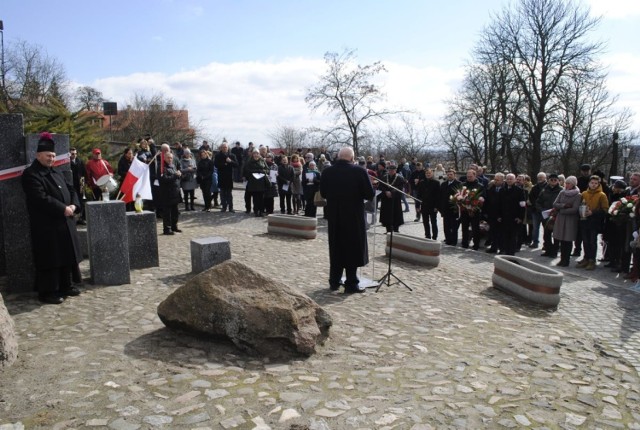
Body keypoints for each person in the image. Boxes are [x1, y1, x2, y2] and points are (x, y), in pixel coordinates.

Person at [22, 132, 82, 304]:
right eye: (48, 156)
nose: (51, 159)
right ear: (38, 155)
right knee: (51, 258)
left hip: (65, 221)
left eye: (53, 156)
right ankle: (48, 292)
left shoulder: (57, 171)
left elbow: (71, 190)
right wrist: (63, 208)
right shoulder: (31, 174)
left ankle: (66, 285)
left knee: (66, 255)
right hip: (46, 224)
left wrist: (74, 205)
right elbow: (39, 198)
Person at [320, 147, 375, 293]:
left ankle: (334, 281)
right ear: (352, 158)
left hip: (334, 215)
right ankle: (351, 284)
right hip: (353, 216)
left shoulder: (327, 171)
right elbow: (369, 194)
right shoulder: (359, 171)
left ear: (338, 157)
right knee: (352, 247)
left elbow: (323, 193)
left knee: (336, 247)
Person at [576, 175, 609, 270]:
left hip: (594, 222)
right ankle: (586, 258)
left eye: (595, 183)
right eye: (592, 183)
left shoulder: (602, 195)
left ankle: (592, 260)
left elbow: (605, 210)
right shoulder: (584, 193)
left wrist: (593, 212)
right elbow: (580, 204)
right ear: (589, 183)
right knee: (585, 241)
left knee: (592, 241)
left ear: (598, 184)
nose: (593, 185)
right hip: (584, 220)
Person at [552, 176, 582, 267]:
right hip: (561, 219)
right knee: (561, 239)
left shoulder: (578, 195)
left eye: (569, 183)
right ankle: (561, 259)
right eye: (566, 183)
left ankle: (566, 260)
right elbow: (555, 204)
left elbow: (575, 209)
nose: (567, 185)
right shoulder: (562, 192)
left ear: (573, 184)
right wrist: (564, 205)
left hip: (570, 220)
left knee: (567, 241)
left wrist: (561, 210)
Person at [498, 173, 526, 255]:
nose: (509, 180)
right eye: (508, 179)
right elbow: (499, 204)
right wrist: (499, 215)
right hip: (504, 218)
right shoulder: (502, 190)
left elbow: (522, 205)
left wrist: (520, 217)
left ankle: (511, 253)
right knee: (505, 236)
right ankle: (505, 251)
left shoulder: (519, 191)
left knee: (513, 237)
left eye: (511, 179)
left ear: (514, 180)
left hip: (514, 218)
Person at [459, 169, 484, 250]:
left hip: (475, 211)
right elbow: (459, 195)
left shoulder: (480, 186)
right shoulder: (463, 185)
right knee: (464, 227)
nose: (469, 178)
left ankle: (476, 244)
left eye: (471, 176)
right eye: (468, 176)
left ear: (475, 176)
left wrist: (477, 203)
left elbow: (483, 197)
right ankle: (464, 243)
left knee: (475, 228)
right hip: (464, 210)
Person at [159, 152, 182, 235]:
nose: (170, 159)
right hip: (167, 194)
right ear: (164, 158)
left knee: (175, 212)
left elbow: (175, 177)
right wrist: (176, 175)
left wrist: (179, 175)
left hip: (175, 193)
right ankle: (167, 229)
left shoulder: (173, 166)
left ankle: (174, 226)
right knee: (167, 213)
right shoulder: (162, 167)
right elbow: (164, 179)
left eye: (171, 158)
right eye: (168, 158)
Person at [379, 162, 406, 233]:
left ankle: (396, 229)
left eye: (393, 170)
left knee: (396, 214)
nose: (391, 171)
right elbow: (381, 186)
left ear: (395, 170)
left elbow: (400, 188)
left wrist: (392, 192)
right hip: (386, 199)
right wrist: (386, 192)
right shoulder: (384, 177)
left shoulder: (400, 178)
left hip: (395, 200)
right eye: (390, 170)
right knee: (386, 215)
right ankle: (388, 229)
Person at [243, 149, 269, 216]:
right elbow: (247, 170)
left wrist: (262, 171)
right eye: (254, 153)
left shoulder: (262, 160)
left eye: (257, 153)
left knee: (261, 198)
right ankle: (256, 211)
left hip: (261, 181)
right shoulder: (249, 161)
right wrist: (258, 171)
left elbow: (267, 169)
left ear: (259, 154)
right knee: (255, 198)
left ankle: (261, 211)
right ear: (253, 154)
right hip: (253, 182)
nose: (256, 155)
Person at [416, 167, 440, 240]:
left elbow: (438, 196)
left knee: (433, 222)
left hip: (433, 206)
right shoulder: (422, 182)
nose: (428, 174)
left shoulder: (436, 183)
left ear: (432, 174)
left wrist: (437, 206)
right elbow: (418, 195)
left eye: (429, 173)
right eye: (426, 173)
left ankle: (434, 236)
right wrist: (417, 206)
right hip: (424, 205)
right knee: (425, 222)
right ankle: (427, 236)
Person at [214, 141, 238, 212]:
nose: (224, 148)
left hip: (229, 177)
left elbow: (236, 165)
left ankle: (231, 207)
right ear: (221, 148)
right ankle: (224, 207)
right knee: (222, 193)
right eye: (223, 147)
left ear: (228, 148)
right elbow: (216, 165)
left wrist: (230, 161)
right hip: (221, 176)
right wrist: (225, 164)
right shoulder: (218, 155)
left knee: (229, 193)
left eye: (226, 147)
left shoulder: (232, 155)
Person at [439, 168, 461, 246]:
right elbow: (440, 197)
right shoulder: (443, 184)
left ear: (454, 175)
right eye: (448, 175)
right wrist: (440, 208)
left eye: (451, 174)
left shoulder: (459, 184)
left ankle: (454, 241)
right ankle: (448, 240)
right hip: (445, 209)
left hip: (454, 209)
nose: (449, 176)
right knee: (446, 226)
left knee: (454, 227)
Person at [528, 172, 547, 248]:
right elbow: (531, 197)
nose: (540, 179)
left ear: (545, 178)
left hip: (544, 210)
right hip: (535, 210)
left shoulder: (548, 187)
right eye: (539, 177)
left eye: (541, 177)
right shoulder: (535, 187)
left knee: (546, 228)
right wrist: (535, 205)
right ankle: (535, 242)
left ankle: (546, 243)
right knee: (535, 228)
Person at [69, 147, 86, 225]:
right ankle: (74, 218)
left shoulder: (80, 161)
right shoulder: (68, 162)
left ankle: (81, 217)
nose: (74, 155)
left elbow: (84, 172)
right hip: (72, 183)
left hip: (80, 183)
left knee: (81, 200)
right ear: (69, 154)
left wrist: (83, 183)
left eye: (75, 153)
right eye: (73, 154)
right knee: (73, 200)